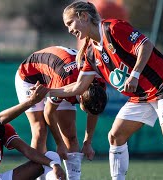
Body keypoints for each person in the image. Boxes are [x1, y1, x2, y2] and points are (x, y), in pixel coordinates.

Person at [48, 1, 163, 180]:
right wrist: (48, 92)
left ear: (84, 16)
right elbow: (79, 86)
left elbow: (146, 46)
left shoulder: (113, 28)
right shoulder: (90, 53)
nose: (69, 29)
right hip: (140, 96)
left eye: (70, 23)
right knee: (115, 136)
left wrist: (135, 75)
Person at [15, 46, 107, 180]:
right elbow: (49, 113)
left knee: (70, 134)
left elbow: (94, 112)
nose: (89, 114)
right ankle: (37, 176)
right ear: (80, 97)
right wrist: (59, 144)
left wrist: (87, 143)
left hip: (62, 73)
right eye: (86, 110)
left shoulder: (99, 84)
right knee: (40, 130)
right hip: (30, 75)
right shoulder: (63, 83)